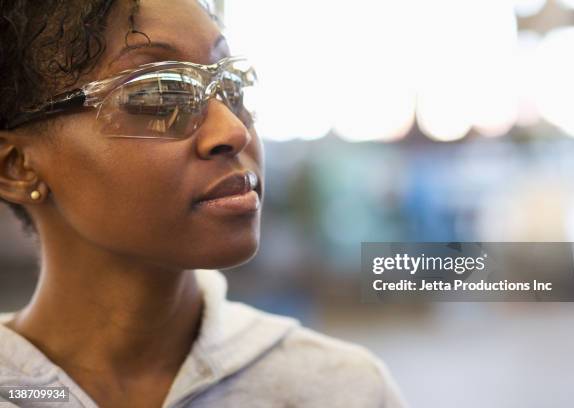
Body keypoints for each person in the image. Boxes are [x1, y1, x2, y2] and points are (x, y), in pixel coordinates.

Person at [0, 0, 406, 407]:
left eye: (231, 87)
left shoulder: (339, 389)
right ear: (16, 167)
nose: (233, 130)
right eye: (161, 93)